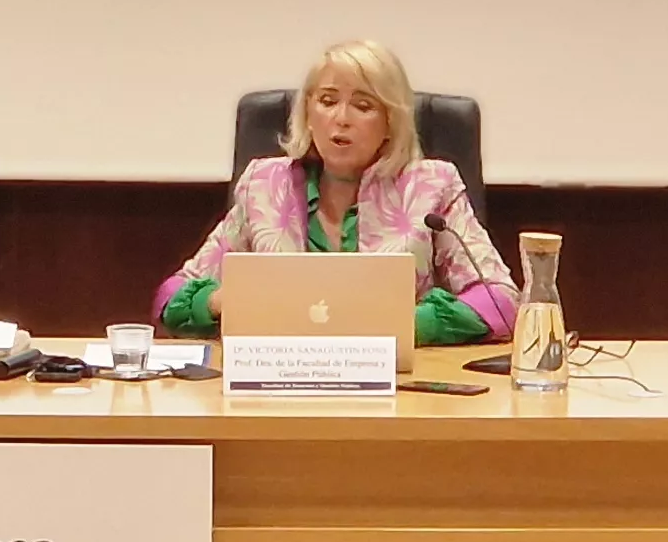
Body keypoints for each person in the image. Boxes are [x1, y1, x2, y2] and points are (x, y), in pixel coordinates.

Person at [156, 40, 514, 344]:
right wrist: (221, 300)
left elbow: (501, 302)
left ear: (391, 122)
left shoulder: (431, 187)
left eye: (363, 105)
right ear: (308, 113)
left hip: (397, 389)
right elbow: (170, 298)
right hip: (278, 384)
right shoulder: (263, 186)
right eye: (327, 101)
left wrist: (407, 326)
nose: (341, 118)